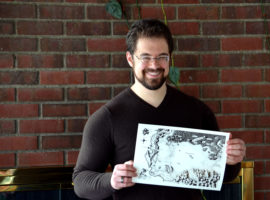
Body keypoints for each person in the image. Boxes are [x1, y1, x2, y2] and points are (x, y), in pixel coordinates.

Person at [72, 19, 246, 200]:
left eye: (162, 57)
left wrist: (232, 160)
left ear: (170, 57)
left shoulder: (197, 111)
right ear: (130, 59)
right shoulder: (107, 117)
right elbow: (81, 182)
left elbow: (224, 175)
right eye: (145, 57)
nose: (154, 65)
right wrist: (111, 180)